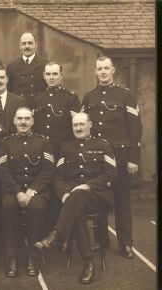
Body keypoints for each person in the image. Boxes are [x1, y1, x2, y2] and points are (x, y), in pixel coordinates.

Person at [35, 112, 117, 284]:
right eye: (75, 125)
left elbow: (111, 175)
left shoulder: (104, 145)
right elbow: (58, 177)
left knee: (77, 196)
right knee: (76, 208)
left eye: (82, 124)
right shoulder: (66, 148)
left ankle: (56, 236)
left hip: (99, 196)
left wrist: (87, 186)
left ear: (90, 125)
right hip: (74, 199)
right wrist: (64, 193)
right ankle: (88, 263)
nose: (78, 128)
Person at [82, 56, 142, 259]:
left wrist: (133, 158)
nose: (103, 72)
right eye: (99, 69)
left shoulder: (126, 95)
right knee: (99, 198)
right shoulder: (89, 97)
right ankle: (101, 240)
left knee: (122, 200)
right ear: (95, 71)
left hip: (120, 156)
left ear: (113, 70)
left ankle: (126, 243)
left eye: (107, 68)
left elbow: (135, 129)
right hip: (96, 158)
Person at [0, 107, 55, 278]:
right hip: (12, 190)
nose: (23, 122)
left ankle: (33, 256)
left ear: (32, 121)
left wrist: (32, 190)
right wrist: (17, 192)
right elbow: (3, 170)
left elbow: (48, 170)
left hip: (37, 190)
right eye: (20, 119)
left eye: (27, 119)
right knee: (8, 207)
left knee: (37, 209)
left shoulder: (43, 142)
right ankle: (12, 256)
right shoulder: (6, 143)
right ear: (14, 121)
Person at [30, 62, 81, 159]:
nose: (51, 77)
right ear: (44, 76)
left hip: (63, 150)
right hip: (41, 150)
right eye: (48, 74)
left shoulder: (71, 98)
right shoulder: (37, 98)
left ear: (61, 75)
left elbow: (77, 126)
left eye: (55, 74)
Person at [6, 32, 47, 105]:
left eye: (30, 43)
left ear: (36, 45)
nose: (27, 46)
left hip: (38, 109)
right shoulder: (11, 66)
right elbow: (8, 92)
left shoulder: (45, 65)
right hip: (19, 109)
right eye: (24, 44)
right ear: (20, 46)